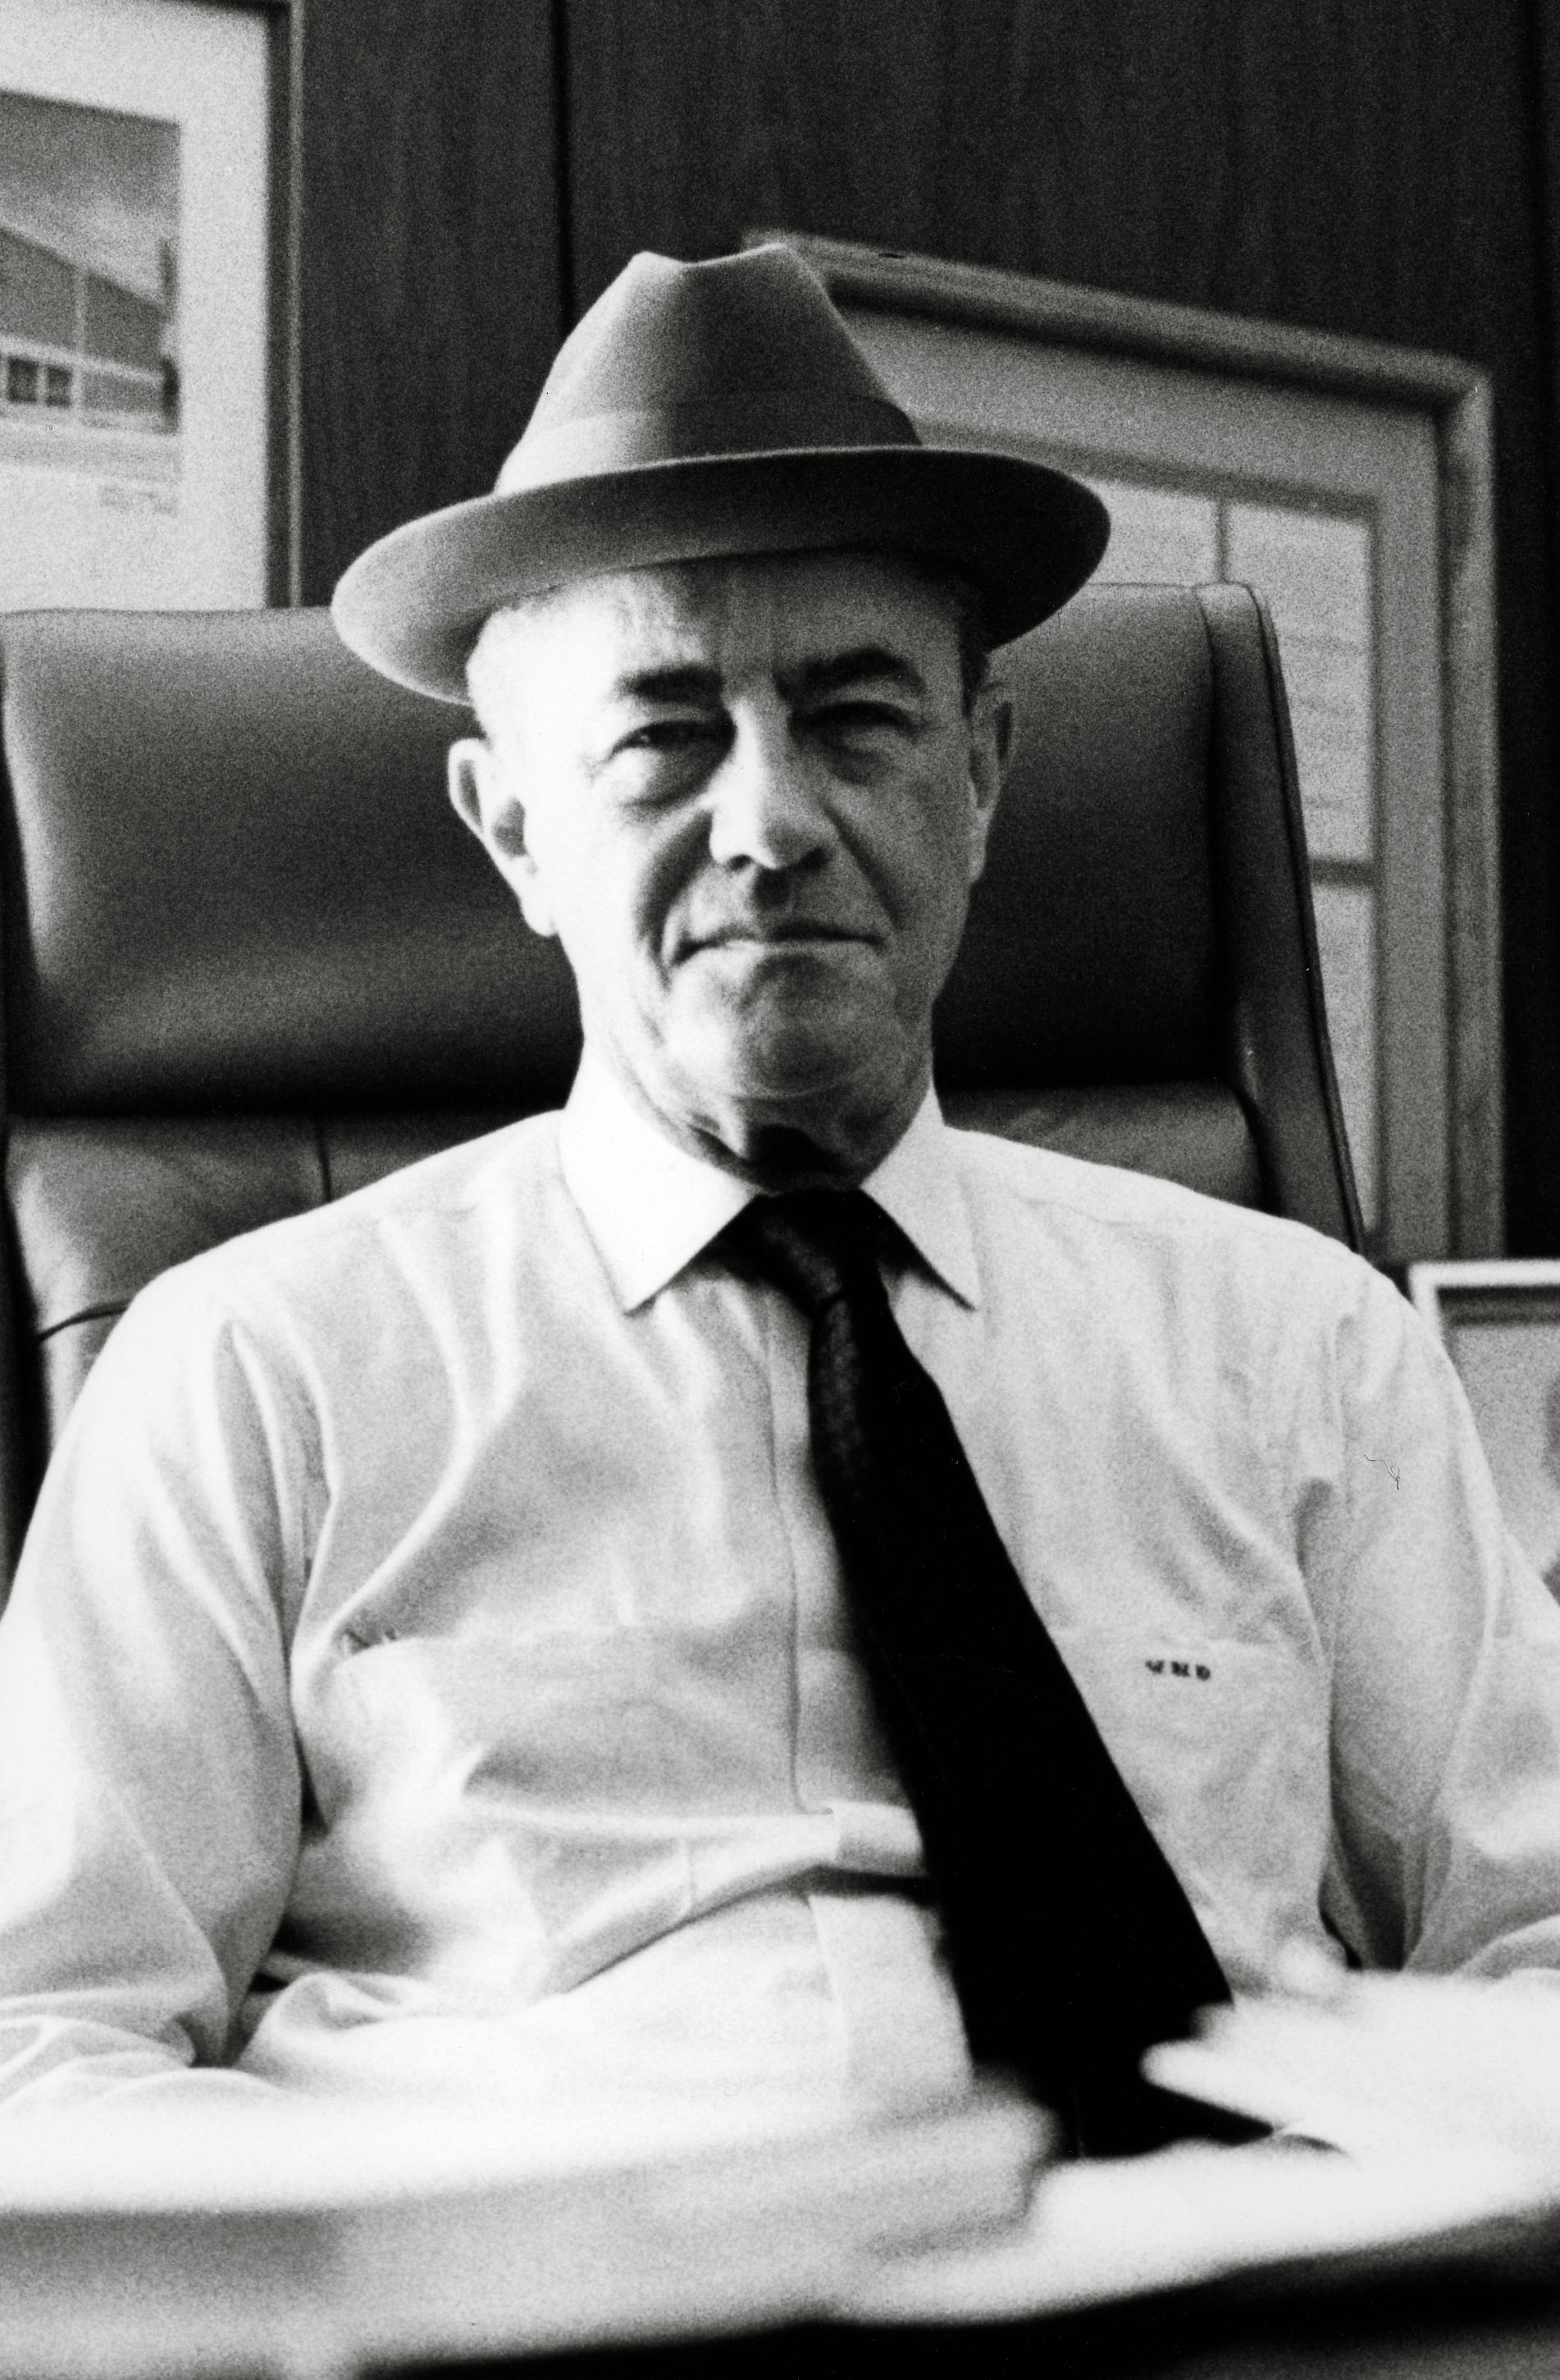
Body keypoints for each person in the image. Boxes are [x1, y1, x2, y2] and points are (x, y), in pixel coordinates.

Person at [0, 244, 1557, 2149]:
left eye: (856, 720)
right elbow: (40, 2047)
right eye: (663, 735)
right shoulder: (251, 1373)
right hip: (539, 2284)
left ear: (980, 779)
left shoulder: (1304, 1353)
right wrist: (421, 2256)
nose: (767, 821)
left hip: (1226, 2271)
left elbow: (1538, 1948)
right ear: (514, 826)